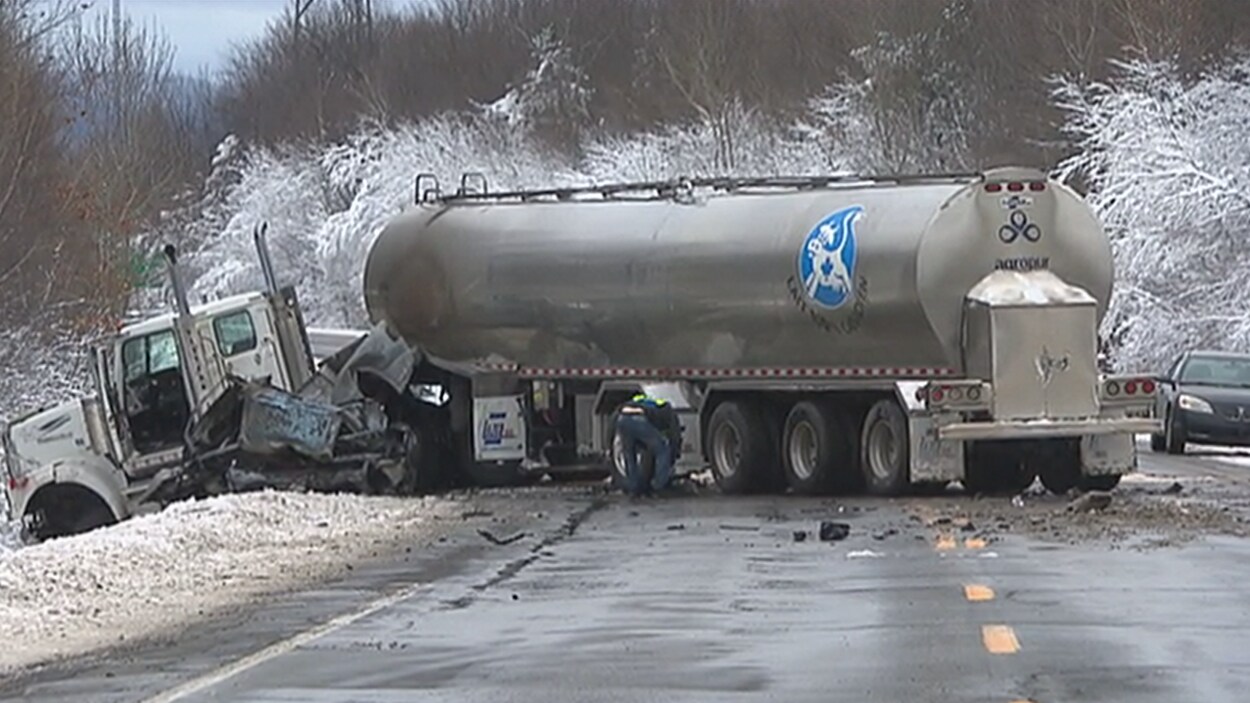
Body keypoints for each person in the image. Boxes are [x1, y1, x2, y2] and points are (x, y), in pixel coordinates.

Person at [615, 392, 681, 497]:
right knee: (663, 449)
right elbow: (674, 434)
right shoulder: (668, 411)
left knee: (629, 454)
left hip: (622, 418)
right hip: (640, 419)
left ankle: (634, 489)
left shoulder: (643, 400)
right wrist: (675, 452)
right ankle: (658, 486)